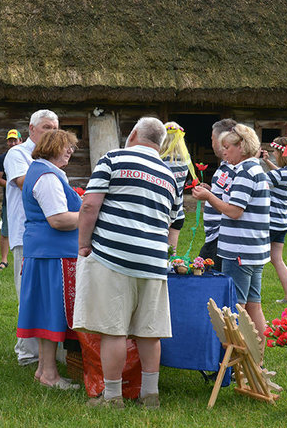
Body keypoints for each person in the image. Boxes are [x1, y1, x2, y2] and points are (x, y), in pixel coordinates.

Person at [73, 117, 182, 409]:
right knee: (149, 331)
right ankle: (150, 395)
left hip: (114, 257)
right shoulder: (170, 175)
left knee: (114, 330)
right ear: (158, 143)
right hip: (154, 262)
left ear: (133, 134)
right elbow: (176, 223)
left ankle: (112, 397)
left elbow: (89, 204)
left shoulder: (113, 159)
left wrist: (83, 244)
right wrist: (166, 254)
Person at [191, 124, 270, 354]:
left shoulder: (245, 172)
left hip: (239, 251)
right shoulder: (255, 169)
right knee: (254, 305)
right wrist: (212, 193)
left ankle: (236, 361)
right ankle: (257, 359)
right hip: (252, 251)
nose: (224, 152)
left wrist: (207, 196)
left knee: (236, 309)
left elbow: (235, 211)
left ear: (242, 147)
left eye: (228, 147)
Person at [17, 130, 82, 390]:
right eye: (66, 147)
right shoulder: (46, 176)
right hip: (52, 254)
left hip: (47, 253)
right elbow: (58, 219)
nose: (70, 151)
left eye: (72, 148)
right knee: (51, 314)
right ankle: (50, 375)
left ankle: (45, 371)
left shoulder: (43, 172)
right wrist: (90, 215)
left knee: (47, 313)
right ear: (52, 146)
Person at [4, 109, 59, 366]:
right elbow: (25, 182)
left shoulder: (53, 161)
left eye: (55, 128)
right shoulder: (18, 153)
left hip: (50, 236)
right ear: (31, 129)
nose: (52, 132)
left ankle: (50, 352)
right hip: (25, 234)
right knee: (26, 294)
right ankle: (27, 354)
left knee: (48, 296)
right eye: (47, 127)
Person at [261, 136, 287, 305]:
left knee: (257, 260)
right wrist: (267, 162)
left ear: (280, 153)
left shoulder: (278, 175)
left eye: (275, 152)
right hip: (283, 223)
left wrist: (254, 162)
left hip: (270, 223)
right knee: (277, 259)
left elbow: (258, 180)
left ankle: (253, 297)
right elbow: (278, 174)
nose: (273, 154)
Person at [198, 119, 237, 270]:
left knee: (207, 278)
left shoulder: (235, 167)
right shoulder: (225, 165)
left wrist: (208, 196)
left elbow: (235, 205)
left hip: (221, 236)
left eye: (212, 138)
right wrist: (210, 190)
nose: (212, 142)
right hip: (214, 236)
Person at [0, 129, 23, 272]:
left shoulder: (27, 156)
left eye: (15, 140)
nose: (12, 143)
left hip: (25, 199)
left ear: (20, 141)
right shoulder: (2, 158)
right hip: (9, 199)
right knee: (6, 229)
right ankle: (4, 260)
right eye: (10, 140)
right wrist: (14, 186)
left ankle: (25, 259)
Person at [159, 122, 190, 255]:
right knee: (172, 252)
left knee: (158, 252)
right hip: (178, 213)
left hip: (162, 211)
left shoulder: (159, 161)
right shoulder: (184, 161)